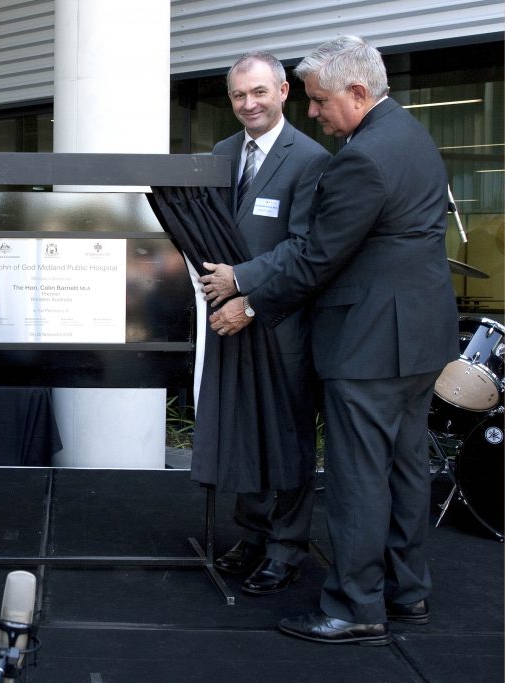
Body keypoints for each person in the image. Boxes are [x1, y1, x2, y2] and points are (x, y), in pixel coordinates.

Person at [208, 36, 458, 644]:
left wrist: (248, 292)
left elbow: (319, 256)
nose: (314, 113)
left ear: (357, 91)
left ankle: (354, 605)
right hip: (418, 338)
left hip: (369, 342)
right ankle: (408, 592)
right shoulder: (411, 136)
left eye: (319, 101)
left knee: (358, 479)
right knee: (404, 470)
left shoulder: (361, 158)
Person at [198, 52, 329, 595]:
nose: (248, 104)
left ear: (282, 92)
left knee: (289, 437)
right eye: (237, 96)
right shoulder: (221, 154)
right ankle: (251, 536)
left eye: (258, 92)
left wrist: (242, 284)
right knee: (243, 429)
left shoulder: (312, 159)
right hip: (226, 320)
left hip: (282, 323)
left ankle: (286, 548)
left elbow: (307, 249)